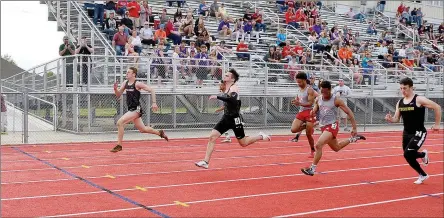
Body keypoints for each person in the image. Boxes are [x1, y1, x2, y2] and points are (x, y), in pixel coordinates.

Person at [195, 69, 271, 169]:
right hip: (226, 118)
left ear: (232, 79)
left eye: (227, 75)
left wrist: (217, 97)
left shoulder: (234, 88)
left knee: (243, 143)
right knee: (212, 137)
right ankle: (206, 161)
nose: (225, 76)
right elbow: (229, 104)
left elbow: (232, 100)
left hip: (235, 119)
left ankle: (260, 136)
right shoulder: (226, 88)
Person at [301, 80, 366, 176]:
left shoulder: (336, 100)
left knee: (318, 145)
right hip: (323, 126)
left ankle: (312, 169)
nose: (324, 94)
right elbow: (316, 106)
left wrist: (354, 128)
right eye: (322, 91)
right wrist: (313, 111)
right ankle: (353, 139)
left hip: (332, 125)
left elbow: (349, 112)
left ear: (330, 90)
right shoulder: (319, 98)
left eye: (326, 92)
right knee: (336, 148)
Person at [385, 77, 441, 184]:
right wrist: (390, 119)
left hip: (419, 132)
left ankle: (423, 158)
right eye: (401, 88)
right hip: (406, 133)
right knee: (408, 156)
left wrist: (437, 124)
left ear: (411, 87)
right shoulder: (400, 102)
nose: (402, 91)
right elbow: (396, 119)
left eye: (405, 88)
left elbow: (437, 107)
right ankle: (423, 172)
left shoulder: (418, 99)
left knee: (408, 153)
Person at [110, 67, 168, 152]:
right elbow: (118, 94)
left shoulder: (137, 84)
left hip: (136, 109)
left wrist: (154, 102)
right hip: (131, 109)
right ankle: (159, 133)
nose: (126, 74)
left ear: (134, 74)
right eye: (126, 72)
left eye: (129, 72)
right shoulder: (125, 83)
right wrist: (115, 89)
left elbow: (152, 90)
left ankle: (119, 145)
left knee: (120, 123)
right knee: (143, 129)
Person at [290, 73, 319, 158]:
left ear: (304, 80)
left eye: (299, 82)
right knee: (293, 129)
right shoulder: (299, 89)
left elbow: (310, 103)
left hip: (309, 112)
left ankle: (313, 150)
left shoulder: (309, 90)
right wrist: (295, 101)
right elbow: (298, 99)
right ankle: (307, 126)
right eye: (297, 82)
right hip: (301, 111)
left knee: (308, 134)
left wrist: (299, 103)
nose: (298, 84)